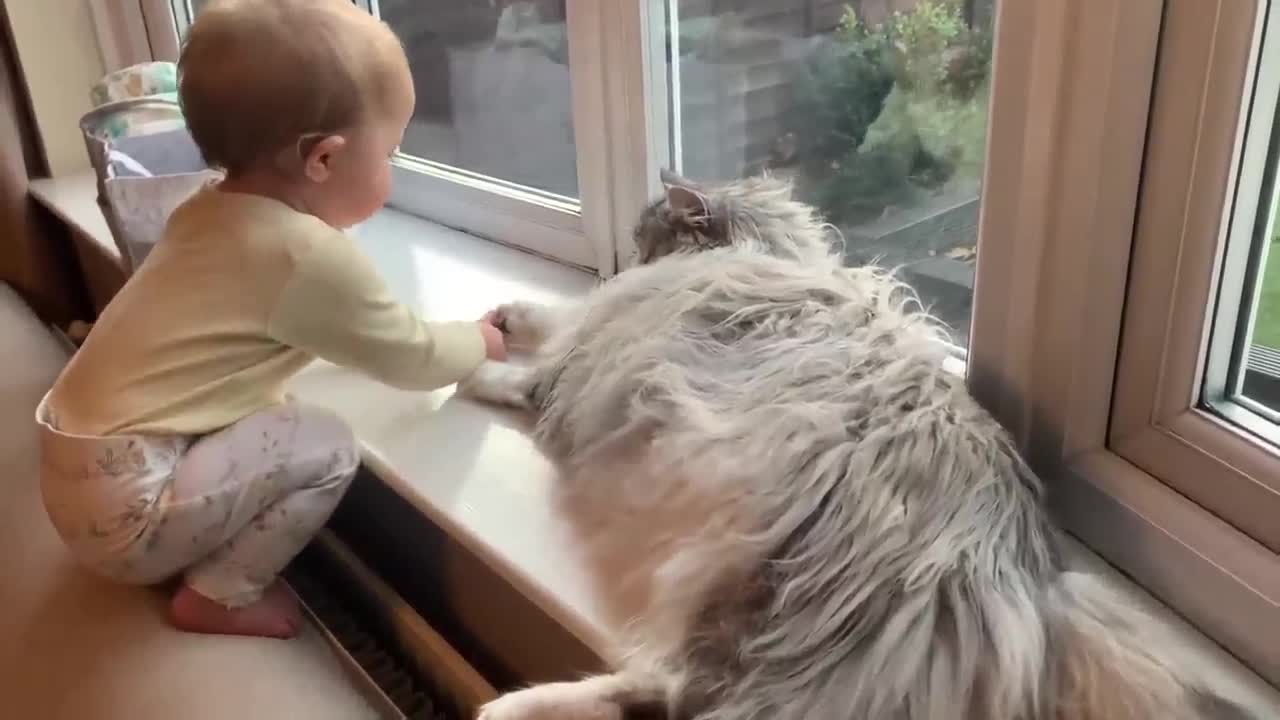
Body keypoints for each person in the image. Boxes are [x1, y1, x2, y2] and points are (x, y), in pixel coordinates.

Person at [36, 0, 505, 639]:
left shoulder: (205, 208)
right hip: (127, 509)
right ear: (323, 161)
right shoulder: (303, 254)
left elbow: (289, 328)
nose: (392, 170)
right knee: (329, 443)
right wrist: (476, 340)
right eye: (390, 152)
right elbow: (412, 358)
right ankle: (219, 593)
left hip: (74, 472)